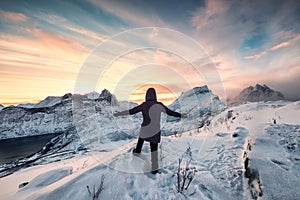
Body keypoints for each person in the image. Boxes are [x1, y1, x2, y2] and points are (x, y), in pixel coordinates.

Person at [114, 88, 187, 174]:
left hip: (145, 129)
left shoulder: (144, 105)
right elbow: (170, 112)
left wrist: (119, 114)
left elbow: (131, 111)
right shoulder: (159, 105)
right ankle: (154, 168)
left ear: (147, 95)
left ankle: (137, 152)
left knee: (141, 140)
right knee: (154, 149)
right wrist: (181, 115)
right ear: (155, 95)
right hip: (155, 130)